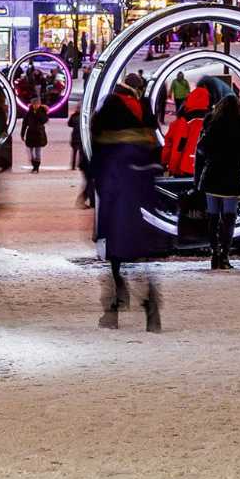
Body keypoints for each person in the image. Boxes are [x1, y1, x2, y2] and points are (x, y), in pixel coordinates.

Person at [90, 80, 165, 332]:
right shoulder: (144, 112)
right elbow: (157, 153)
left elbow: (95, 154)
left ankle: (114, 306)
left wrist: (91, 186)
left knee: (115, 250)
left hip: (115, 186)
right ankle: (151, 304)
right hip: (141, 187)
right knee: (142, 250)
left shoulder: (108, 110)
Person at [195, 94, 240, 270]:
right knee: (229, 217)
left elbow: (201, 148)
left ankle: (214, 253)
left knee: (213, 216)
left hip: (213, 174)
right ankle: (225, 255)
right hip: (232, 176)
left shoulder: (213, 125)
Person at [21, 95, 50, 173]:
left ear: (39, 104)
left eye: (37, 104)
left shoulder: (42, 112)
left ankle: (36, 167)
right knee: (30, 152)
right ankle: (34, 165)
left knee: (38, 151)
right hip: (30, 134)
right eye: (34, 104)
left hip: (39, 134)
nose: (35, 105)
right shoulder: (29, 113)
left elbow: (44, 120)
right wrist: (22, 134)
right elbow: (24, 124)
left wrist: (38, 112)